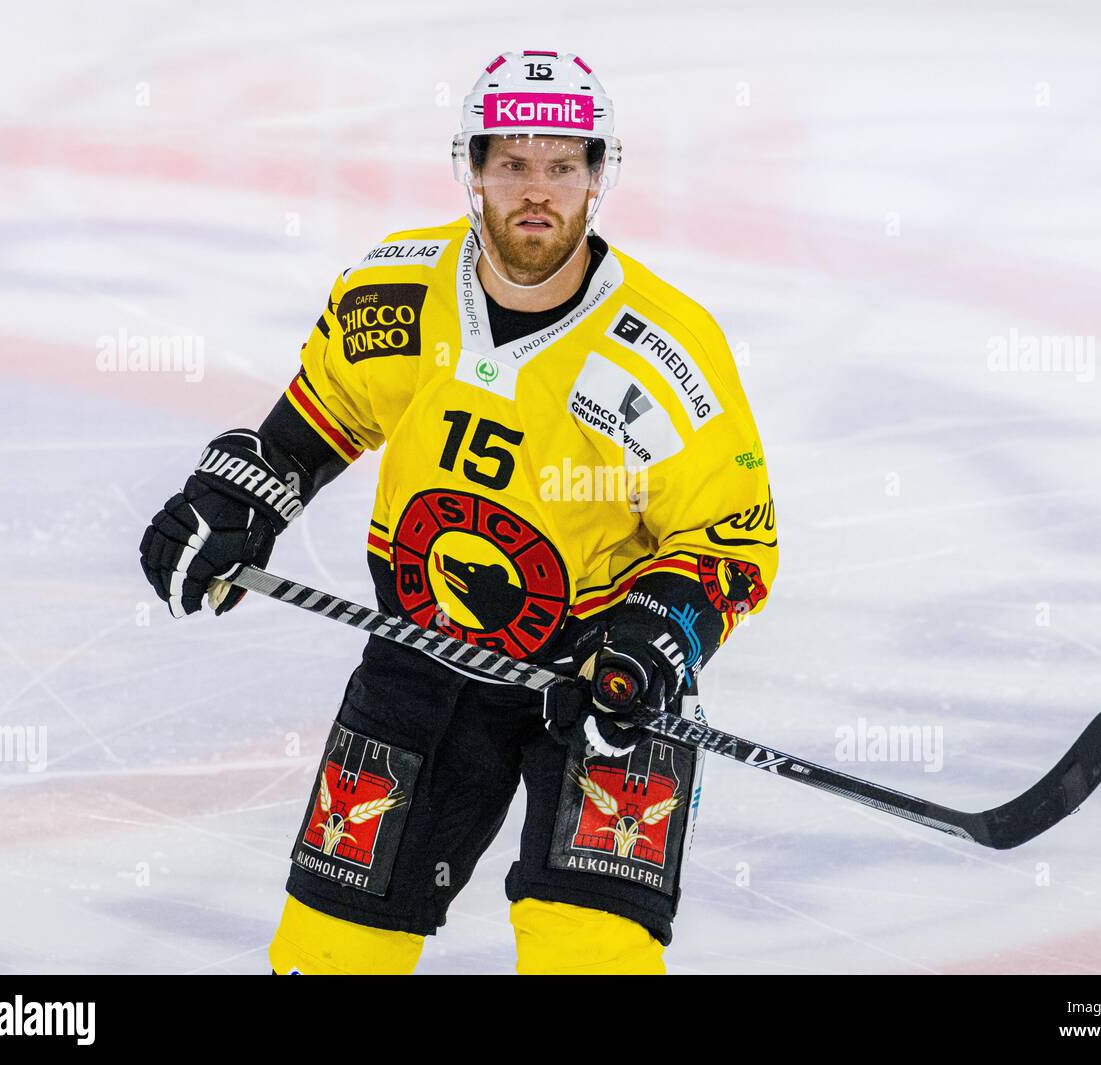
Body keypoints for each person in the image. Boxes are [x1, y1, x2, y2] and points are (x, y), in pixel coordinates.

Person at [138, 50, 778, 975]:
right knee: (327, 956)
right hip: (423, 658)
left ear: (598, 177)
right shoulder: (395, 290)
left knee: (589, 959)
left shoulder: (667, 353)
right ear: (471, 168)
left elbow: (732, 543)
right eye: (511, 162)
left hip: (603, 688)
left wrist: (654, 641)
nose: (535, 191)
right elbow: (318, 417)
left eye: (562, 165)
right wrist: (240, 497)